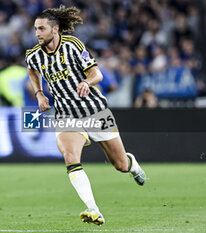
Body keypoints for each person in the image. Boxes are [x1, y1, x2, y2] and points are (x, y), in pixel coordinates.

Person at [25, 6, 146, 226]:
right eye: (35, 29)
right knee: (70, 157)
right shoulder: (34, 55)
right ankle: (93, 209)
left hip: (95, 111)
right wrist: (39, 93)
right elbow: (32, 70)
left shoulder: (73, 46)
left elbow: (96, 73)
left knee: (120, 164)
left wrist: (85, 82)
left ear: (55, 29)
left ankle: (132, 163)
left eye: (41, 28)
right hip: (65, 114)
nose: (37, 33)